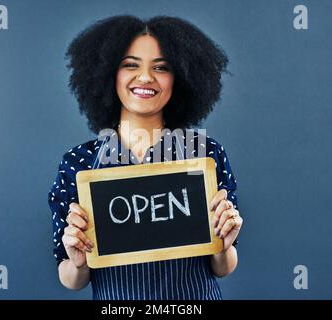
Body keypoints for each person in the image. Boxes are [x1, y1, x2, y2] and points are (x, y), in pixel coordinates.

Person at [48, 15, 243, 300]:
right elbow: (71, 279)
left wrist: (225, 245)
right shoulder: (79, 163)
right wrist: (78, 262)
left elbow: (223, 268)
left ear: (181, 78)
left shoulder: (205, 154)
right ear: (108, 73)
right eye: (130, 65)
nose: (145, 77)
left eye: (161, 67)